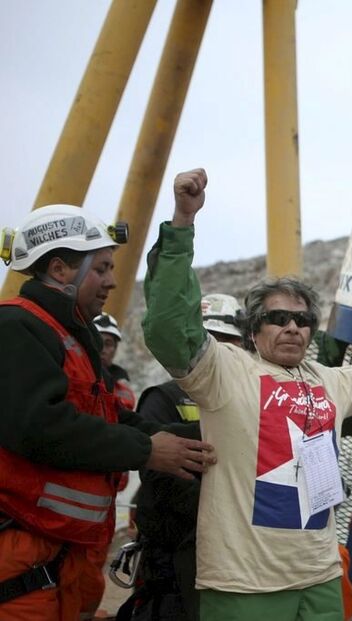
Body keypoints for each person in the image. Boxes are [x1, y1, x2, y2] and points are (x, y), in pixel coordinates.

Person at [142, 168, 352, 621]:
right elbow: (170, 327)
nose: (291, 327)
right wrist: (183, 222)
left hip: (320, 578)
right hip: (245, 584)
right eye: (278, 318)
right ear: (253, 328)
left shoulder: (327, 380)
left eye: (302, 320)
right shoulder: (224, 371)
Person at [0, 204, 215, 620]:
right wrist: (146, 450)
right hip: (21, 557)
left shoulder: (72, 337)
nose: (113, 282)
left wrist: (198, 438)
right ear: (60, 270)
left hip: (60, 556)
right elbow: (39, 426)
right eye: (101, 268)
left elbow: (111, 416)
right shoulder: (16, 329)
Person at [130, 293, 245, 621]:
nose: (221, 351)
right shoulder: (163, 398)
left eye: (230, 341)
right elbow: (161, 478)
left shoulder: (252, 403)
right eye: (213, 341)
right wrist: (234, 508)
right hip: (178, 563)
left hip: (239, 560)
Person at [94, 312, 137, 410]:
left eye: (108, 344)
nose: (102, 350)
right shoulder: (74, 377)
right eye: (97, 342)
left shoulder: (125, 394)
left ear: (115, 349)